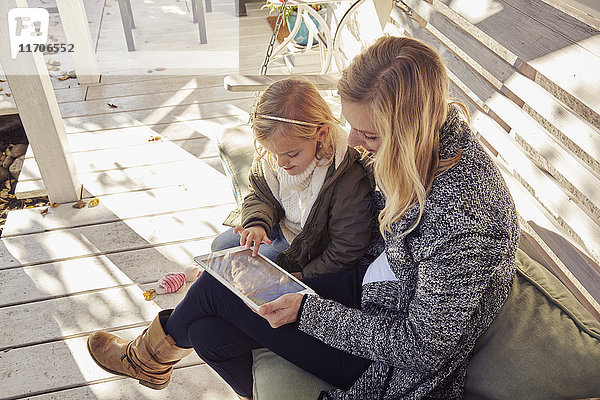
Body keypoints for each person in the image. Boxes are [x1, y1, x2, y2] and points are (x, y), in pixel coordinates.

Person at [87, 35, 519, 399]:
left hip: (391, 363)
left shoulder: (465, 216)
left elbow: (421, 350)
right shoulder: (420, 152)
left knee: (217, 294)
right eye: (352, 126)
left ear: (410, 129)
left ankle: (144, 360)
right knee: (208, 333)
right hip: (371, 290)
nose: (354, 141)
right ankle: (153, 360)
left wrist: (307, 310)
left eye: (369, 134)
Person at [210, 77, 376, 279]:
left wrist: (304, 276)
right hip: (279, 227)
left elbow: (346, 248)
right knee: (220, 248)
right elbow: (260, 196)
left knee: (250, 272)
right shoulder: (275, 151)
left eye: (292, 154)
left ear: (321, 133)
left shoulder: (345, 176)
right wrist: (257, 224)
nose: (281, 163)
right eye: (274, 153)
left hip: (309, 250)